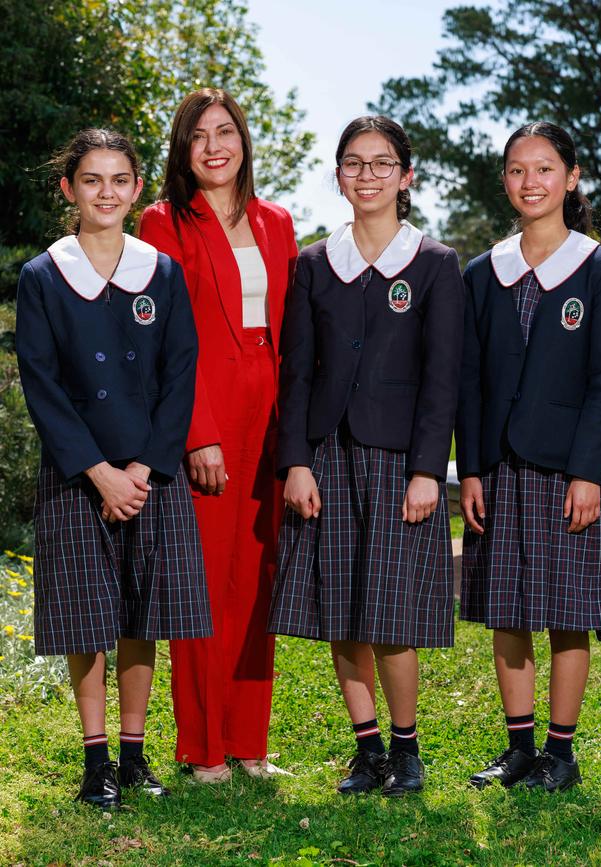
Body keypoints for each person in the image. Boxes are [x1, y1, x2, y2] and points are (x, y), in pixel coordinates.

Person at [15, 129, 212, 809]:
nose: (106, 192)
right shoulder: (43, 274)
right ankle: (95, 760)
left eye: (119, 179)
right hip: (78, 473)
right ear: (70, 189)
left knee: (138, 613)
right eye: (91, 180)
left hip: (149, 470)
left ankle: (133, 755)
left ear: (135, 188)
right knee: (86, 618)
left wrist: (143, 467)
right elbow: (40, 383)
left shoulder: (161, 271)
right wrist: (99, 471)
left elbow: (179, 373)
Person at [268, 116, 464, 796]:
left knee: (390, 612)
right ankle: (367, 747)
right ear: (339, 174)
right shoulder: (315, 264)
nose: (368, 175)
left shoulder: (437, 264)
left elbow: (444, 378)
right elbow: (295, 371)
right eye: (354, 163)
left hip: (397, 459)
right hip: (326, 455)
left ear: (406, 177)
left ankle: (407, 751)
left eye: (383, 164)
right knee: (338, 605)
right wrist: (295, 459)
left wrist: (425, 470)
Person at [456, 121, 601, 793]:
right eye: (518, 170)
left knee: (567, 611)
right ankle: (519, 748)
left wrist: (589, 472)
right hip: (498, 467)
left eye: (545, 168)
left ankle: (562, 752)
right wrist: (470, 466)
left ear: (572, 176)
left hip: (566, 471)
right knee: (508, 610)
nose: (531, 181)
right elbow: (468, 380)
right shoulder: (484, 272)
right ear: (505, 181)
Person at [139, 88, 297, 782]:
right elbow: (166, 338)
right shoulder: (163, 221)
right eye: (198, 135)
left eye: (225, 131)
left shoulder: (277, 221)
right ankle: (202, 746)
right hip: (203, 410)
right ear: (183, 147)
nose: (213, 146)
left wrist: (296, 440)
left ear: (244, 140)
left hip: (269, 413)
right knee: (202, 580)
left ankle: (249, 740)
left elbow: (292, 333)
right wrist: (195, 433)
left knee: (258, 579)